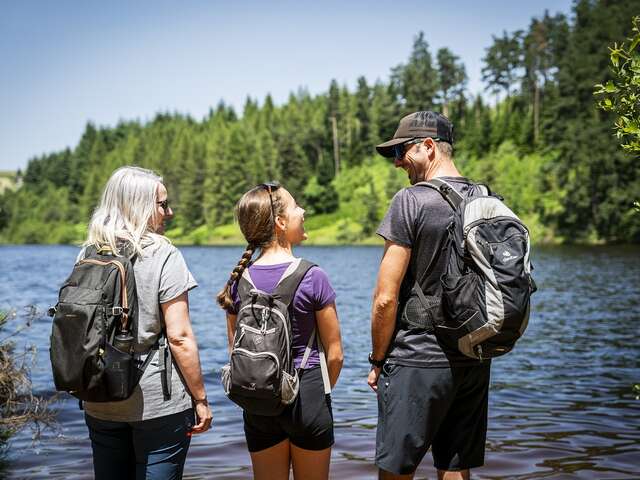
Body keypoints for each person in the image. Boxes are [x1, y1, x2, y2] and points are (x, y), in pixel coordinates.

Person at [367, 111, 491, 480]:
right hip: (474, 354)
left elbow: (385, 299)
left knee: (395, 469)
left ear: (428, 147)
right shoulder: (484, 197)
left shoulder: (410, 201)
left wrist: (377, 359)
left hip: (418, 357)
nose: (397, 163)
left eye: (402, 152)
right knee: (455, 465)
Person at [80, 166, 212, 479]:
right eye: (163, 204)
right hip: (156, 403)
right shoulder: (164, 253)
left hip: (99, 394)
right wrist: (201, 400)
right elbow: (179, 337)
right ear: (138, 206)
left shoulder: (89, 251)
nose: (170, 212)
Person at [217, 182, 343, 480]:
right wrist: (317, 396)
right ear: (280, 222)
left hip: (258, 398)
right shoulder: (313, 276)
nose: (303, 210)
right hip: (307, 394)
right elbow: (335, 354)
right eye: (296, 205)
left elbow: (234, 350)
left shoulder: (238, 281)